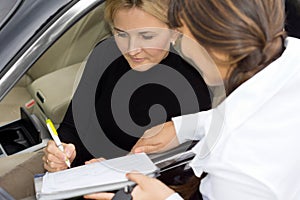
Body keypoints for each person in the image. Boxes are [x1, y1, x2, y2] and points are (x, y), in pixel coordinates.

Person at [85, 0, 300, 199]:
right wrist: (183, 127)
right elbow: (260, 110)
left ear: (217, 42)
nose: (181, 45)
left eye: (182, 33)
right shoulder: (293, 56)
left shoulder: (235, 163)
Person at [43, 0, 210, 181]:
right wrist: (61, 151)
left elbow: (175, 177)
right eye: (121, 34)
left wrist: (112, 173)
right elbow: (73, 125)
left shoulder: (192, 89)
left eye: (146, 36)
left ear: (174, 32)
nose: (132, 50)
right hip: (70, 177)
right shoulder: (105, 53)